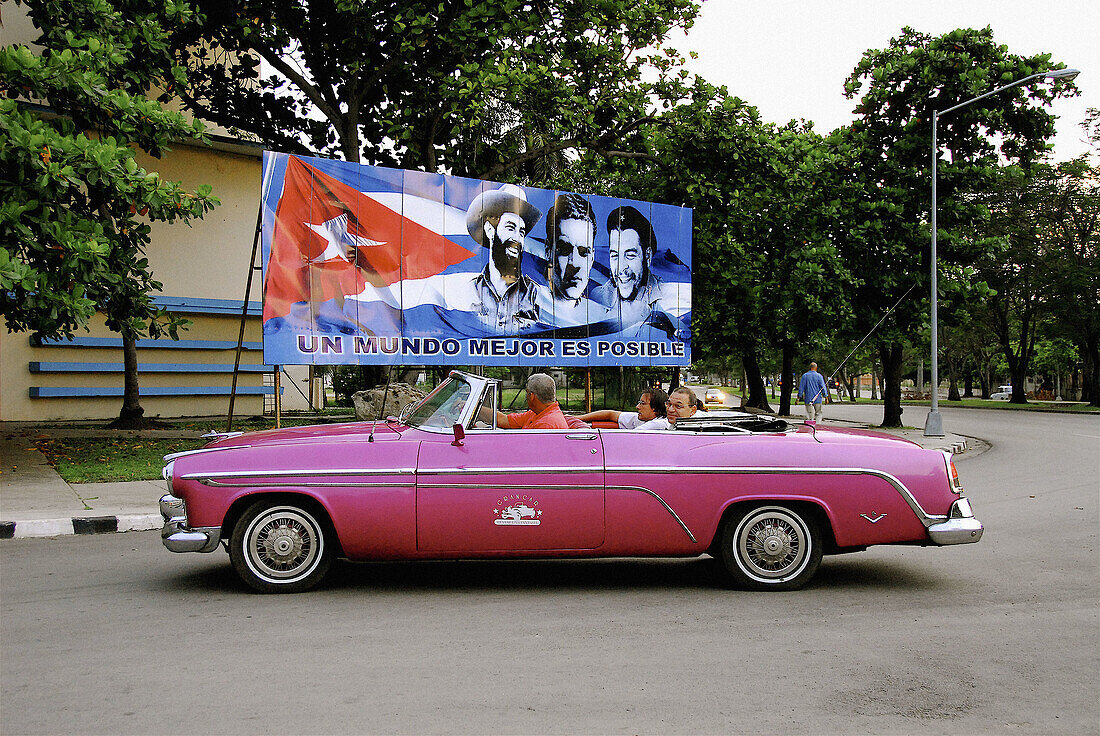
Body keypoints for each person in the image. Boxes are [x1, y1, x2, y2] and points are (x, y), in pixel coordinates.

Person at [465, 183, 543, 334]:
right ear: (490, 230)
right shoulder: (469, 290)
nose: (517, 239)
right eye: (510, 228)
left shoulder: (534, 294)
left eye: (521, 232)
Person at [539, 193, 598, 327]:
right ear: (548, 250)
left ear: (592, 259)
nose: (574, 263)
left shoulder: (601, 318)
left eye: (584, 252)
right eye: (565, 250)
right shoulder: (527, 309)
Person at [481, 373, 569, 430]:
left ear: (532, 396)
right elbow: (504, 420)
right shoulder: (538, 413)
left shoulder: (545, 424)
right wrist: (474, 409)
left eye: (526, 392)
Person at [576, 387, 670, 430]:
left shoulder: (658, 424)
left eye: (642, 404)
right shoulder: (643, 418)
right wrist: (577, 418)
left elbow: (627, 437)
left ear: (655, 408)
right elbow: (610, 414)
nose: (637, 407)